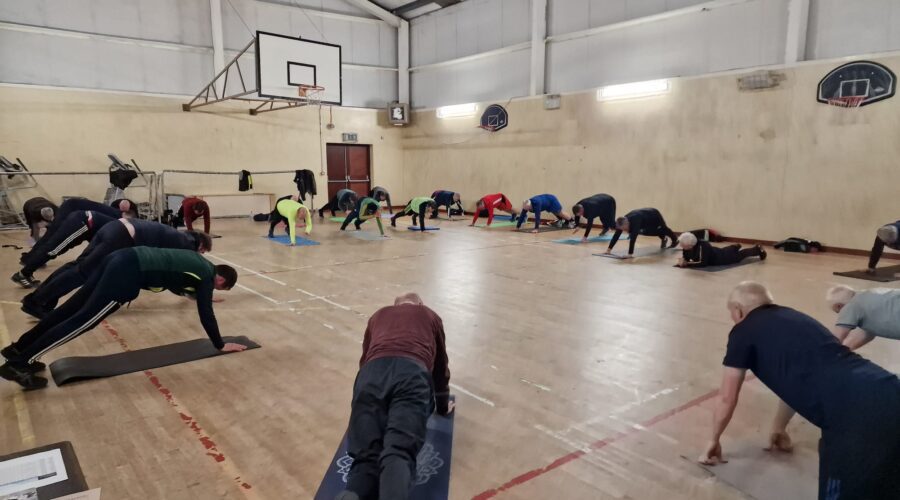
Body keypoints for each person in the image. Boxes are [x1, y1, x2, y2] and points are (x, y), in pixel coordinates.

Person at [699, 281, 900, 500]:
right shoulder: (798, 318)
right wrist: (778, 426)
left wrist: (713, 439)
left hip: (856, 420)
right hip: (889, 386)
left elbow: (727, 398)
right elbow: (805, 374)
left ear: (737, 310)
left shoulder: (742, 332)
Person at [0, 247, 243, 390]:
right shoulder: (205, 276)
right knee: (82, 320)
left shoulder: (198, 262)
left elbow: (172, 278)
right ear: (221, 280)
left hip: (120, 257)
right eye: (218, 289)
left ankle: (18, 349)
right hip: (127, 273)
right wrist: (219, 344)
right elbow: (206, 313)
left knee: (69, 309)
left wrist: (191, 293)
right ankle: (19, 365)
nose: (213, 290)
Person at [335, 293, 452, 500]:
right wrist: (442, 405)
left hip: (371, 375)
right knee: (398, 451)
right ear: (420, 305)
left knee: (366, 458)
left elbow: (365, 359)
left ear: (394, 306)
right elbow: (440, 366)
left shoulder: (378, 315)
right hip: (411, 374)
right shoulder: (430, 316)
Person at [21, 219, 211, 319]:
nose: (200, 256)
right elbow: (174, 275)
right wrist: (197, 292)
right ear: (200, 245)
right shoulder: (186, 244)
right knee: (83, 273)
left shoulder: (177, 235)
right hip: (122, 237)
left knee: (78, 267)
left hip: (114, 228)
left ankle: (42, 298)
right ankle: (36, 301)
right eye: (203, 251)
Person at [12, 210, 119, 289]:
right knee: (53, 250)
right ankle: (23, 274)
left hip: (86, 226)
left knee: (58, 249)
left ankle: (27, 273)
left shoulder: (124, 228)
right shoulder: (126, 233)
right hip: (84, 223)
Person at [32, 198, 136, 248]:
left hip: (78, 214)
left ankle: (32, 256)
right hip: (76, 213)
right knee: (54, 239)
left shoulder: (114, 215)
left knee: (54, 237)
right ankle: (30, 260)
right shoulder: (117, 218)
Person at [826, 285, 900, 350]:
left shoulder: (851, 306)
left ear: (838, 306)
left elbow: (836, 339)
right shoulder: (868, 297)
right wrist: (844, 351)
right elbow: (866, 334)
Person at [605, 207, 677, 258]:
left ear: (626, 224)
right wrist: (609, 250)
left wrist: (630, 254)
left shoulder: (635, 221)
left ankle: (675, 240)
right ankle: (664, 238)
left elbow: (633, 238)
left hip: (654, 215)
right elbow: (616, 235)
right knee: (647, 232)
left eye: (624, 229)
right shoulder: (623, 221)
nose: (624, 230)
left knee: (663, 228)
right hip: (645, 219)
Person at [675, 232, 766, 268]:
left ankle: (757, 249)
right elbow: (686, 256)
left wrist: (686, 263)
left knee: (740, 255)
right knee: (727, 250)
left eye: (683, 245)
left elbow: (702, 263)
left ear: (690, 245)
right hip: (718, 251)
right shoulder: (687, 246)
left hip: (722, 259)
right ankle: (735, 246)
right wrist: (683, 259)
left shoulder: (703, 246)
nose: (681, 247)